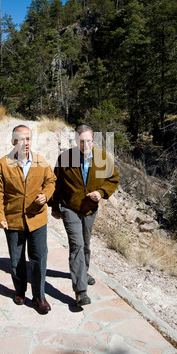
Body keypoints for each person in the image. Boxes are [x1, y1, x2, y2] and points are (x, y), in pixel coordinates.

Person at [51, 124, 119, 307]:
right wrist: (54, 206)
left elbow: (113, 180)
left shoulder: (102, 158)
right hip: (69, 208)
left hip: (90, 209)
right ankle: (81, 291)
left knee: (86, 244)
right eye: (82, 141)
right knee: (77, 245)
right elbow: (56, 184)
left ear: (93, 140)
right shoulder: (65, 158)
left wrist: (102, 193)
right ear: (76, 141)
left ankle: (83, 271)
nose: (85, 144)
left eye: (89, 140)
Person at [0, 125, 56, 314]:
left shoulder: (40, 162)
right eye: (20, 139)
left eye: (28, 139)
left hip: (37, 219)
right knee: (16, 260)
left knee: (39, 258)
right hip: (13, 221)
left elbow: (51, 181)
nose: (25, 143)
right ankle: (20, 291)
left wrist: (46, 195)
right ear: (13, 142)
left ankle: (39, 296)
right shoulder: (3, 164)